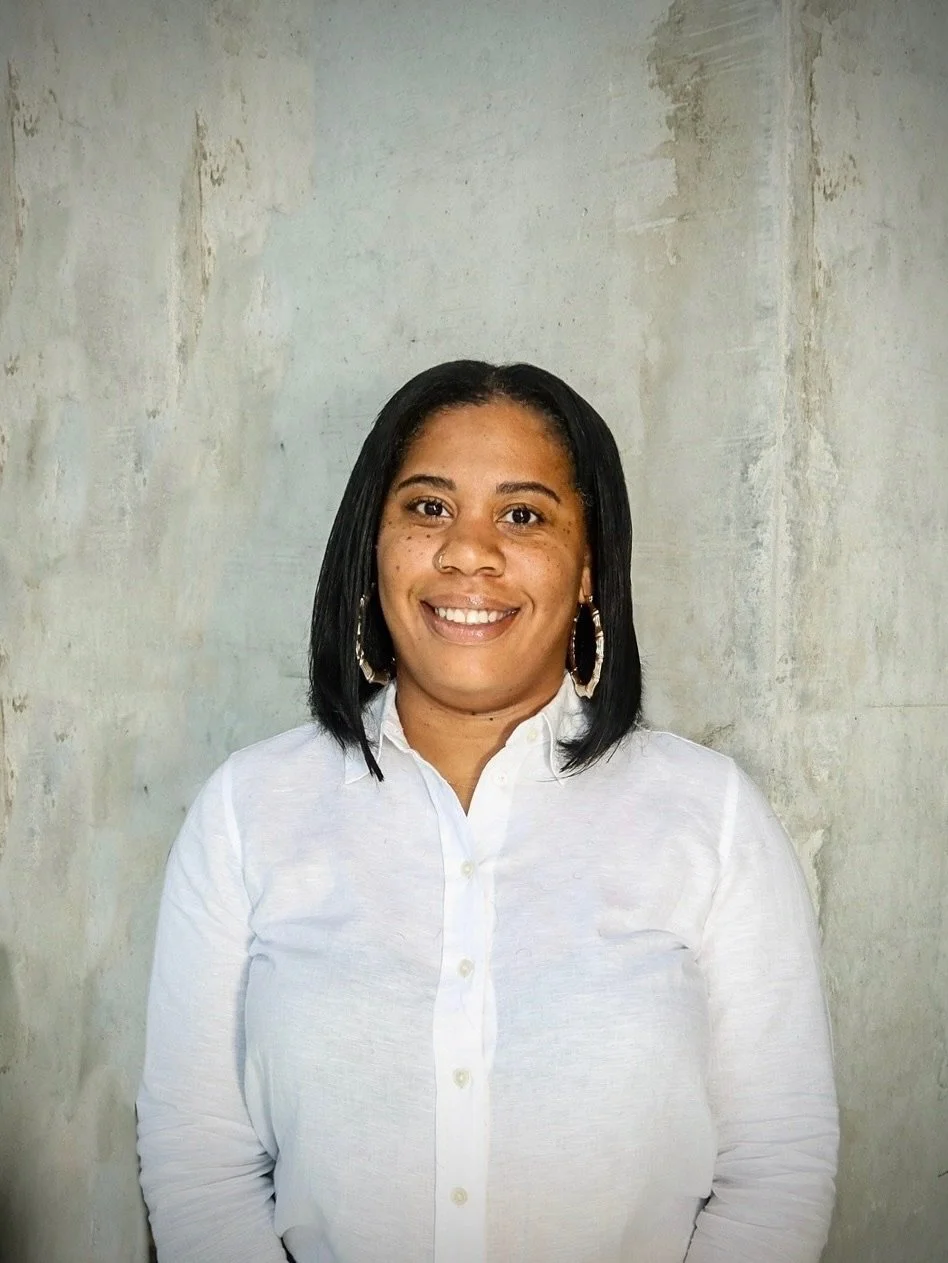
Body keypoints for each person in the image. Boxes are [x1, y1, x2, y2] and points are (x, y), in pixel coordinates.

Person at [136, 360, 839, 1263]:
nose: (470, 552)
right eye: (429, 507)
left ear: (589, 568)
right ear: (372, 547)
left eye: (523, 514)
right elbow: (198, 1162)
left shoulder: (711, 816)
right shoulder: (247, 812)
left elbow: (777, 1160)